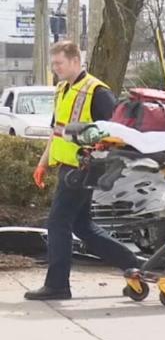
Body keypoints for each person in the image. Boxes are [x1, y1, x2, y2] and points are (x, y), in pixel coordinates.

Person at [25, 41, 142, 300]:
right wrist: (43, 162)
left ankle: (57, 285)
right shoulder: (62, 89)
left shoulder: (97, 91)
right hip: (67, 166)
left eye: (59, 64)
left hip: (84, 166)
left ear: (76, 61)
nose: (55, 69)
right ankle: (134, 265)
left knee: (58, 222)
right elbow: (56, 131)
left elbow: (116, 130)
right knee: (83, 226)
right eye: (53, 64)